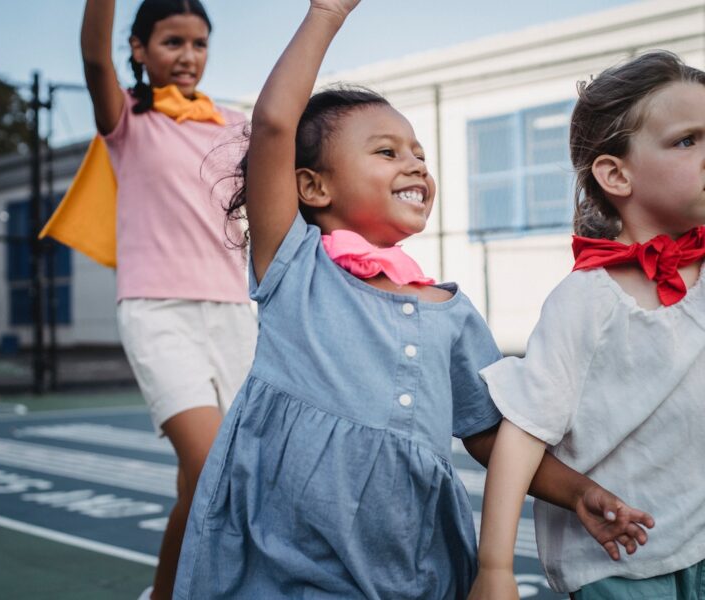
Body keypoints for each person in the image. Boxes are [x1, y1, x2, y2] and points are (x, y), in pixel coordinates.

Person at [172, 2, 653, 598]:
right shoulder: (297, 267)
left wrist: (577, 490)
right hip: (286, 552)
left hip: (407, 557)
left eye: (419, 153)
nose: (415, 163)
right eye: (386, 152)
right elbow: (273, 123)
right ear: (312, 186)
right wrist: (326, 13)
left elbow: (491, 436)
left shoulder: (449, 311)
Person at [469, 50, 705, 600]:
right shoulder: (585, 300)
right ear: (616, 173)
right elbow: (522, 435)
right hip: (616, 560)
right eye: (688, 140)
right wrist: (495, 568)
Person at [76, 1, 257, 598]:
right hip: (158, 314)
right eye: (172, 42)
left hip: (235, 316)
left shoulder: (236, 124)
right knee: (212, 472)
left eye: (199, 44)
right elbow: (93, 58)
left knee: (196, 486)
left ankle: (162, 594)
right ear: (139, 50)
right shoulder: (128, 120)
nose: (187, 56)